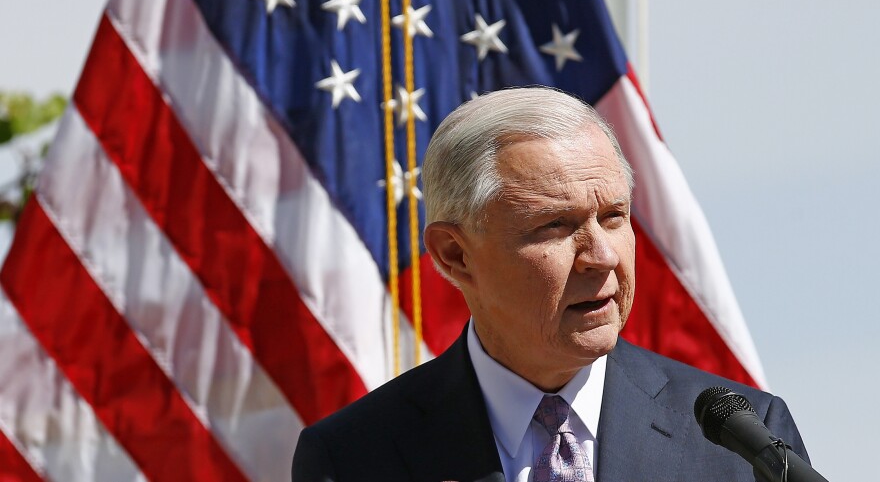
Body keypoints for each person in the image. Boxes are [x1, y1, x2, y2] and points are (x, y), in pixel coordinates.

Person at [291, 87, 809, 481]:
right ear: (455, 254)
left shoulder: (741, 442)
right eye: (554, 226)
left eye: (613, 217)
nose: (602, 257)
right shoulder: (352, 456)